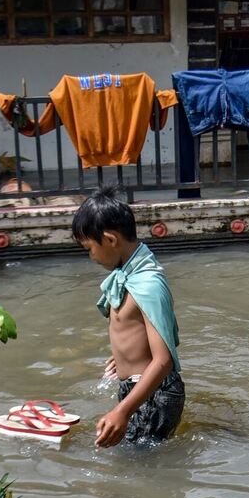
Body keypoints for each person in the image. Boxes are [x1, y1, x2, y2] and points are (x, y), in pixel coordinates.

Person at [73, 187, 184, 446]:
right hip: (140, 388)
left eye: (89, 248)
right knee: (126, 453)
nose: (90, 256)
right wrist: (124, 356)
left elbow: (164, 360)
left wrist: (122, 410)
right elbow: (138, 330)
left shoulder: (148, 284)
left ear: (110, 240)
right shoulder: (130, 276)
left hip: (154, 393)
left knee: (137, 464)